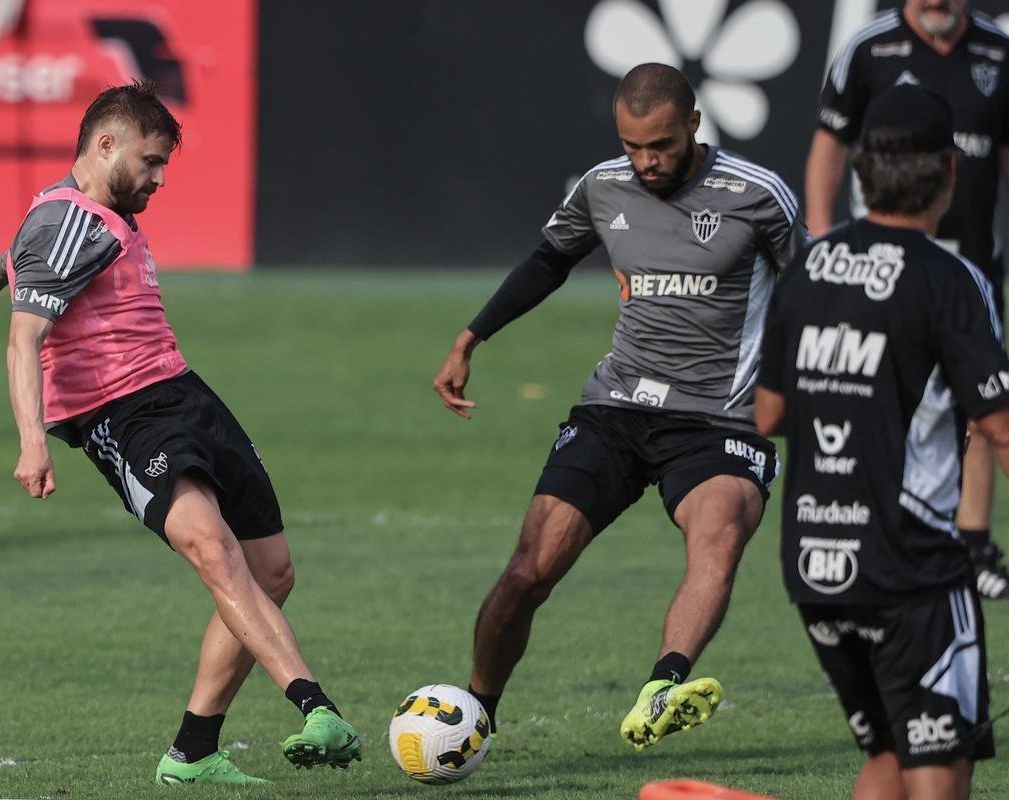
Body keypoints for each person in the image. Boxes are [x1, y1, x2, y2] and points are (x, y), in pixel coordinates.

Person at [0, 82, 361, 785]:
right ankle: (314, 705)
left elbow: (44, 248)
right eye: (151, 162)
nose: (159, 179)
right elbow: (23, 341)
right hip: (122, 418)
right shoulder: (67, 220)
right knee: (215, 551)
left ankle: (192, 754)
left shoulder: (88, 212)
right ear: (105, 145)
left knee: (272, 572)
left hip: (182, 392)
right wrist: (33, 441)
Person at [431, 63, 806, 751]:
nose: (647, 161)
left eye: (660, 144)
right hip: (616, 409)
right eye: (633, 146)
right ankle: (476, 714)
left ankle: (664, 686)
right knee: (527, 571)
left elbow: (812, 296)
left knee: (717, 536)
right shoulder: (603, 187)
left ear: (694, 124)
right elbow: (549, 261)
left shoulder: (758, 196)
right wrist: (470, 337)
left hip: (721, 418)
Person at [758, 84, 1007, 800]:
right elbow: (998, 426)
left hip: (814, 562)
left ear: (861, 173)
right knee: (939, 766)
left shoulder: (810, 264)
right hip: (913, 570)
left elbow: (768, 413)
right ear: (951, 172)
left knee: (889, 755)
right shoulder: (952, 278)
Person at [805, 0, 1009, 599]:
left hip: (970, 264)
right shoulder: (869, 48)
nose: (936, 3)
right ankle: (872, 524)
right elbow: (829, 144)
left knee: (981, 398)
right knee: (877, 390)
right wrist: (820, 240)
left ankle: (971, 542)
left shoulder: (999, 52)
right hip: (881, 268)